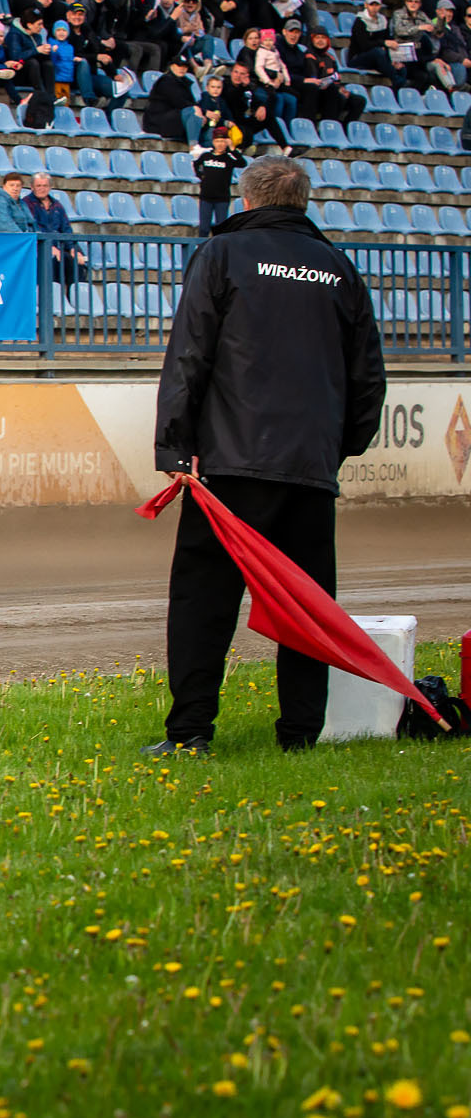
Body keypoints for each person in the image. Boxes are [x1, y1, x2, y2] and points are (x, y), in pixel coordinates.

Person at [151, 157, 386, 755]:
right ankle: (300, 736)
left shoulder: (222, 255)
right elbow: (368, 378)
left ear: (247, 200)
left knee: (204, 600)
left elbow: (189, 354)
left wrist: (176, 448)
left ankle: (190, 734)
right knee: (306, 605)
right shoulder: (340, 269)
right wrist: (338, 449)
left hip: (230, 466)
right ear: (303, 202)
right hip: (310, 466)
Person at [193, 124, 245, 233]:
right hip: (206, 197)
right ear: (213, 142)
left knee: (221, 228)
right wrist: (200, 175)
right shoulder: (206, 156)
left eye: (222, 141)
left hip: (222, 198)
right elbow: (196, 164)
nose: (220, 144)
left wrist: (232, 149)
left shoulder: (229, 157)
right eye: (217, 141)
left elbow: (242, 163)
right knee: (203, 228)